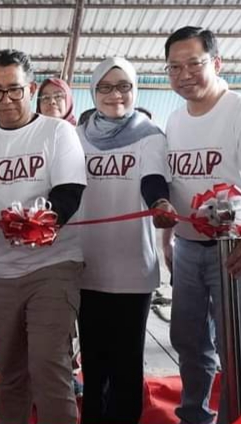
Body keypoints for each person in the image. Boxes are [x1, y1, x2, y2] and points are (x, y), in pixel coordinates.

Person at [0, 49, 86, 424]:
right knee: (10, 372)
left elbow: (69, 192)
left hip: (53, 266)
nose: (6, 99)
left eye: (14, 89)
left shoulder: (57, 132)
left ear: (30, 88)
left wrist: (42, 222)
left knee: (49, 367)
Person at [75, 57, 176, 424]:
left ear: (135, 90)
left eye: (123, 86)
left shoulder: (150, 135)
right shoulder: (77, 135)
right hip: (87, 267)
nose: (115, 94)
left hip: (133, 271)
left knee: (127, 364)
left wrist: (159, 202)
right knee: (94, 362)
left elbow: (153, 180)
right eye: (105, 86)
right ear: (93, 91)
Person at [163, 26, 241, 424]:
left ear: (217, 63)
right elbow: (174, 184)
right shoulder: (175, 119)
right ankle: (195, 414)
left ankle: (232, 416)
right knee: (188, 339)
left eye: (194, 64)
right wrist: (166, 239)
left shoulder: (236, 111)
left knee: (234, 344)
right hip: (187, 248)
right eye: (174, 67)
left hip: (232, 252)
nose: (184, 75)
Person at [35, 77, 83, 398]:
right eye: (45, 97)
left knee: (68, 319)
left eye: (58, 96)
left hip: (74, 242)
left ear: (69, 101)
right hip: (34, 245)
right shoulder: (28, 137)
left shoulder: (80, 137)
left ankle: (69, 375)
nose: (52, 102)